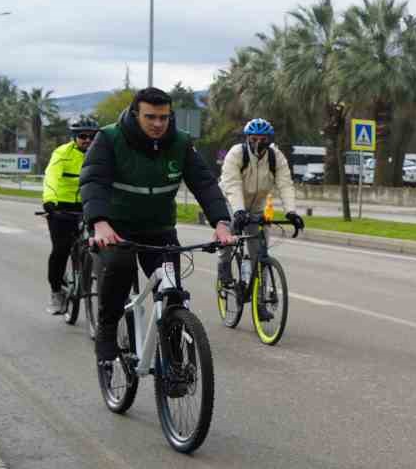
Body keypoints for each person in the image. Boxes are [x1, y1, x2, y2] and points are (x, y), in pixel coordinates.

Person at [80, 88, 234, 391]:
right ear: (136, 113)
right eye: (150, 117)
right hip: (115, 230)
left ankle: (175, 367)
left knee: (173, 293)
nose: (158, 124)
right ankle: (107, 337)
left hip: (159, 229)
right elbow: (93, 181)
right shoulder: (109, 138)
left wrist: (221, 224)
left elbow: (204, 183)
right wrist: (99, 223)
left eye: (164, 117)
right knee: (119, 274)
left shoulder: (179, 143)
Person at [217, 118, 303, 316]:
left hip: (257, 207)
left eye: (262, 139)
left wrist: (291, 212)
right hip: (230, 202)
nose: (257, 143)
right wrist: (238, 211)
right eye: (253, 139)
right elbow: (231, 184)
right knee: (228, 239)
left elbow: (285, 184)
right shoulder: (236, 154)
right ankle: (224, 273)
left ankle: (260, 304)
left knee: (260, 255)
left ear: (269, 140)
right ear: (247, 138)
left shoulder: (276, 157)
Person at [41, 117, 99, 313]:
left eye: (92, 136)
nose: (88, 140)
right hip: (61, 208)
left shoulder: (101, 154)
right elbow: (51, 176)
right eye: (82, 136)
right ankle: (56, 292)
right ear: (74, 137)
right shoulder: (62, 153)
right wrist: (50, 201)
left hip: (88, 206)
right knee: (61, 250)